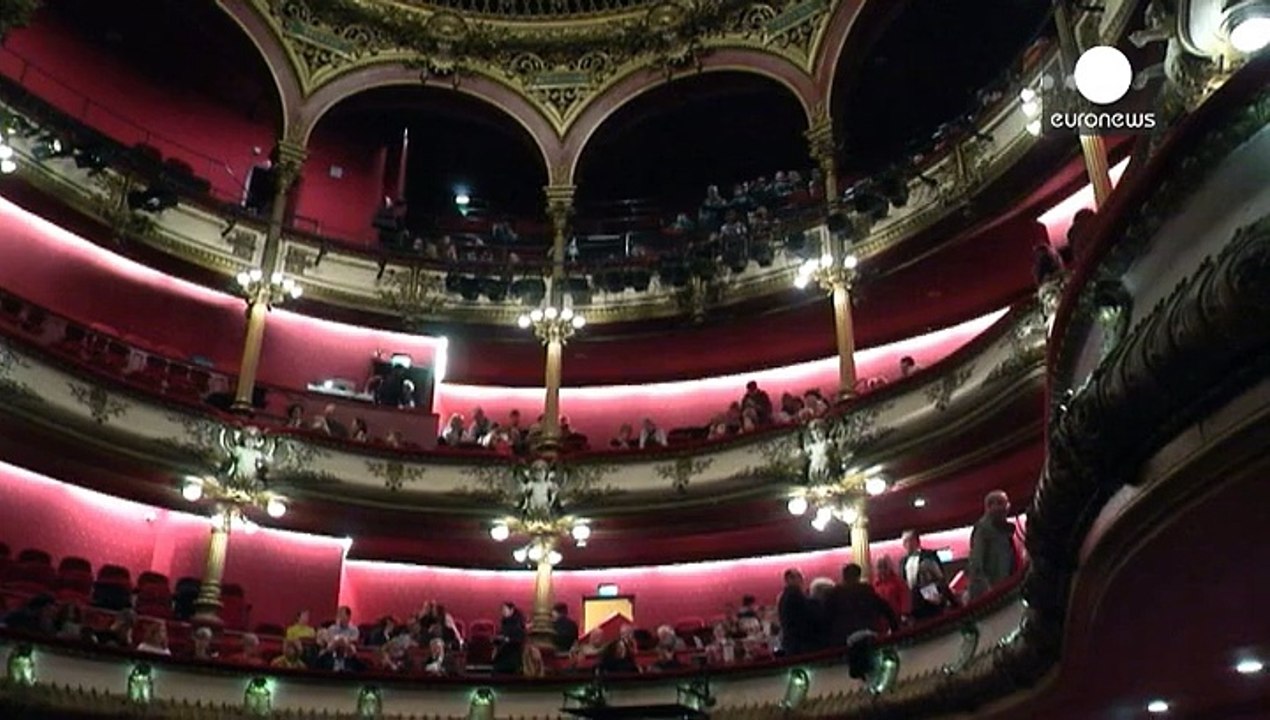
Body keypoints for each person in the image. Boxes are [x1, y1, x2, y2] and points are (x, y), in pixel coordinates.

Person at [825, 564, 898, 646]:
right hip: (869, 632)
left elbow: (826, 618)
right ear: (858, 576)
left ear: (843, 577)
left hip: (846, 638)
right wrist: (895, 630)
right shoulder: (867, 590)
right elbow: (886, 609)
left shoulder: (835, 593)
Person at [968, 490, 1018, 599]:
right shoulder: (983, 530)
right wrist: (988, 591)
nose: (1005, 508)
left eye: (1005, 503)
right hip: (991, 596)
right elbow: (976, 565)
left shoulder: (1004, 533)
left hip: (1001, 592)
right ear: (989, 506)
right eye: (1000, 503)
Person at [899, 530, 943, 616]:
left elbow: (940, 576)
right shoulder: (902, 562)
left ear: (916, 541)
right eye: (904, 542)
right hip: (914, 602)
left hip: (931, 599)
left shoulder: (929, 555)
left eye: (908, 541)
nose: (905, 545)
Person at [778, 569, 813, 656]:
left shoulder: (783, 597)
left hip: (789, 641)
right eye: (799, 577)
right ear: (789, 579)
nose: (802, 580)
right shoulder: (795, 594)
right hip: (800, 642)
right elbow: (806, 616)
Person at [492, 602, 526, 674]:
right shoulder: (504, 622)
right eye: (502, 609)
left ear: (511, 610)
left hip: (513, 651)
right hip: (504, 649)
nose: (503, 611)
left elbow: (519, 638)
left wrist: (507, 639)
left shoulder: (518, 622)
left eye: (505, 609)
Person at [873, 556, 908, 620]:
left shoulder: (899, 582)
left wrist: (904, 614)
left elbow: (905, 600)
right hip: (881, 619)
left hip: (896, 618)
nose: (882, 570)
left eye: (885, 567)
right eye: (879, 567)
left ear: (890, 567)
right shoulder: (875, 584)